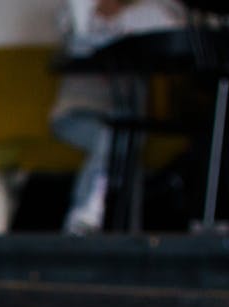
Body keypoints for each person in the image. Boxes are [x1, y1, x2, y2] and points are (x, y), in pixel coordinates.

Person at [50, 0, 186, 234]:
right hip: (75, 116)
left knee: (122, 134)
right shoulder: (79, 9)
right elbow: (71, 42)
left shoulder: (150, 13)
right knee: (116, 134)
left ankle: (100, 219)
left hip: (127, 117)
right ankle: (88, 214)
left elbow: (178, 34)